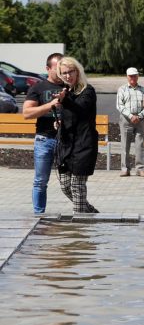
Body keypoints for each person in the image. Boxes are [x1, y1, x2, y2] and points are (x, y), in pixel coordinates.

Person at [54, 56, 99, 213]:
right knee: (65, 185)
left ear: (77, 71)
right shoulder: (67, 92)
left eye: (70, 72)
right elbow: (69, 116)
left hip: (84, 145)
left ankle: (79, 227)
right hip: (67, 146)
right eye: (64, 73)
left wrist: (64, 100)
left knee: (77, 186)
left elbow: (80, 109)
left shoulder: (88, 91)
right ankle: (90, 212)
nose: (68, 76)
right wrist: (59, 123)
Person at [22, 52, 65, 214]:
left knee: (73, 180)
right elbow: (27, 113)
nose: (62, 71)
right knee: (40, 181)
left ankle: (79, 213)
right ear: (48, 68)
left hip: (67, 140)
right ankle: (39, 214)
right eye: (57, 68)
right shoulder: (38, 88)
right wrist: (50, 105)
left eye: (64, 67)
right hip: (45, 139)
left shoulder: (70, 86)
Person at [116, 66, 144, 177]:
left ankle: (140, 169)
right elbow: (119, 105)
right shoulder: (122, 89)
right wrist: (130, 116)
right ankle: (125, 169)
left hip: (140, 120)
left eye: (135, 75)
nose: (133, 78)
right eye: (130, 76)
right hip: (126, 119)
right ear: (127, 77)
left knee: (140, 144)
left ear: (138, 76)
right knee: (125, 144)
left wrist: (139, 116)